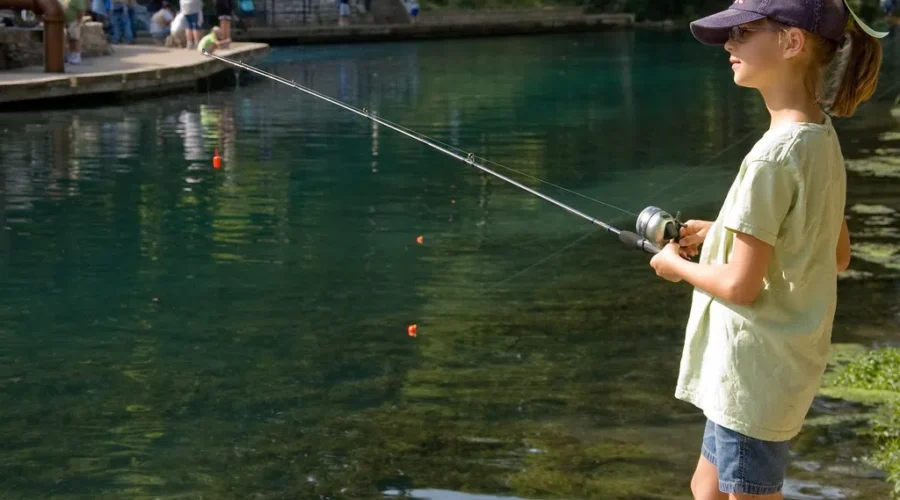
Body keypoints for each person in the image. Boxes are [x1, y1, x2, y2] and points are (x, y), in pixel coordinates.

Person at [647, 0, 884, 498]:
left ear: (791, 42)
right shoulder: (819, 133)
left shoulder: (772, 157)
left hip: (752, 371)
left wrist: (674, 266)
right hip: (774, 367)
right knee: (706, 488)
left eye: (744, 32)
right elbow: (831, 251)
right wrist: (724, 229)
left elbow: (740, 284)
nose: (729, 45)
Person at [59, 0, 85, 64]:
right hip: (61, 21)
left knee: (74, 39)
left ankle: (75, 58)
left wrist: (78, 20)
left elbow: (81, 10)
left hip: (73, 21)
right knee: (62, 39)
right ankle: (65, 57)